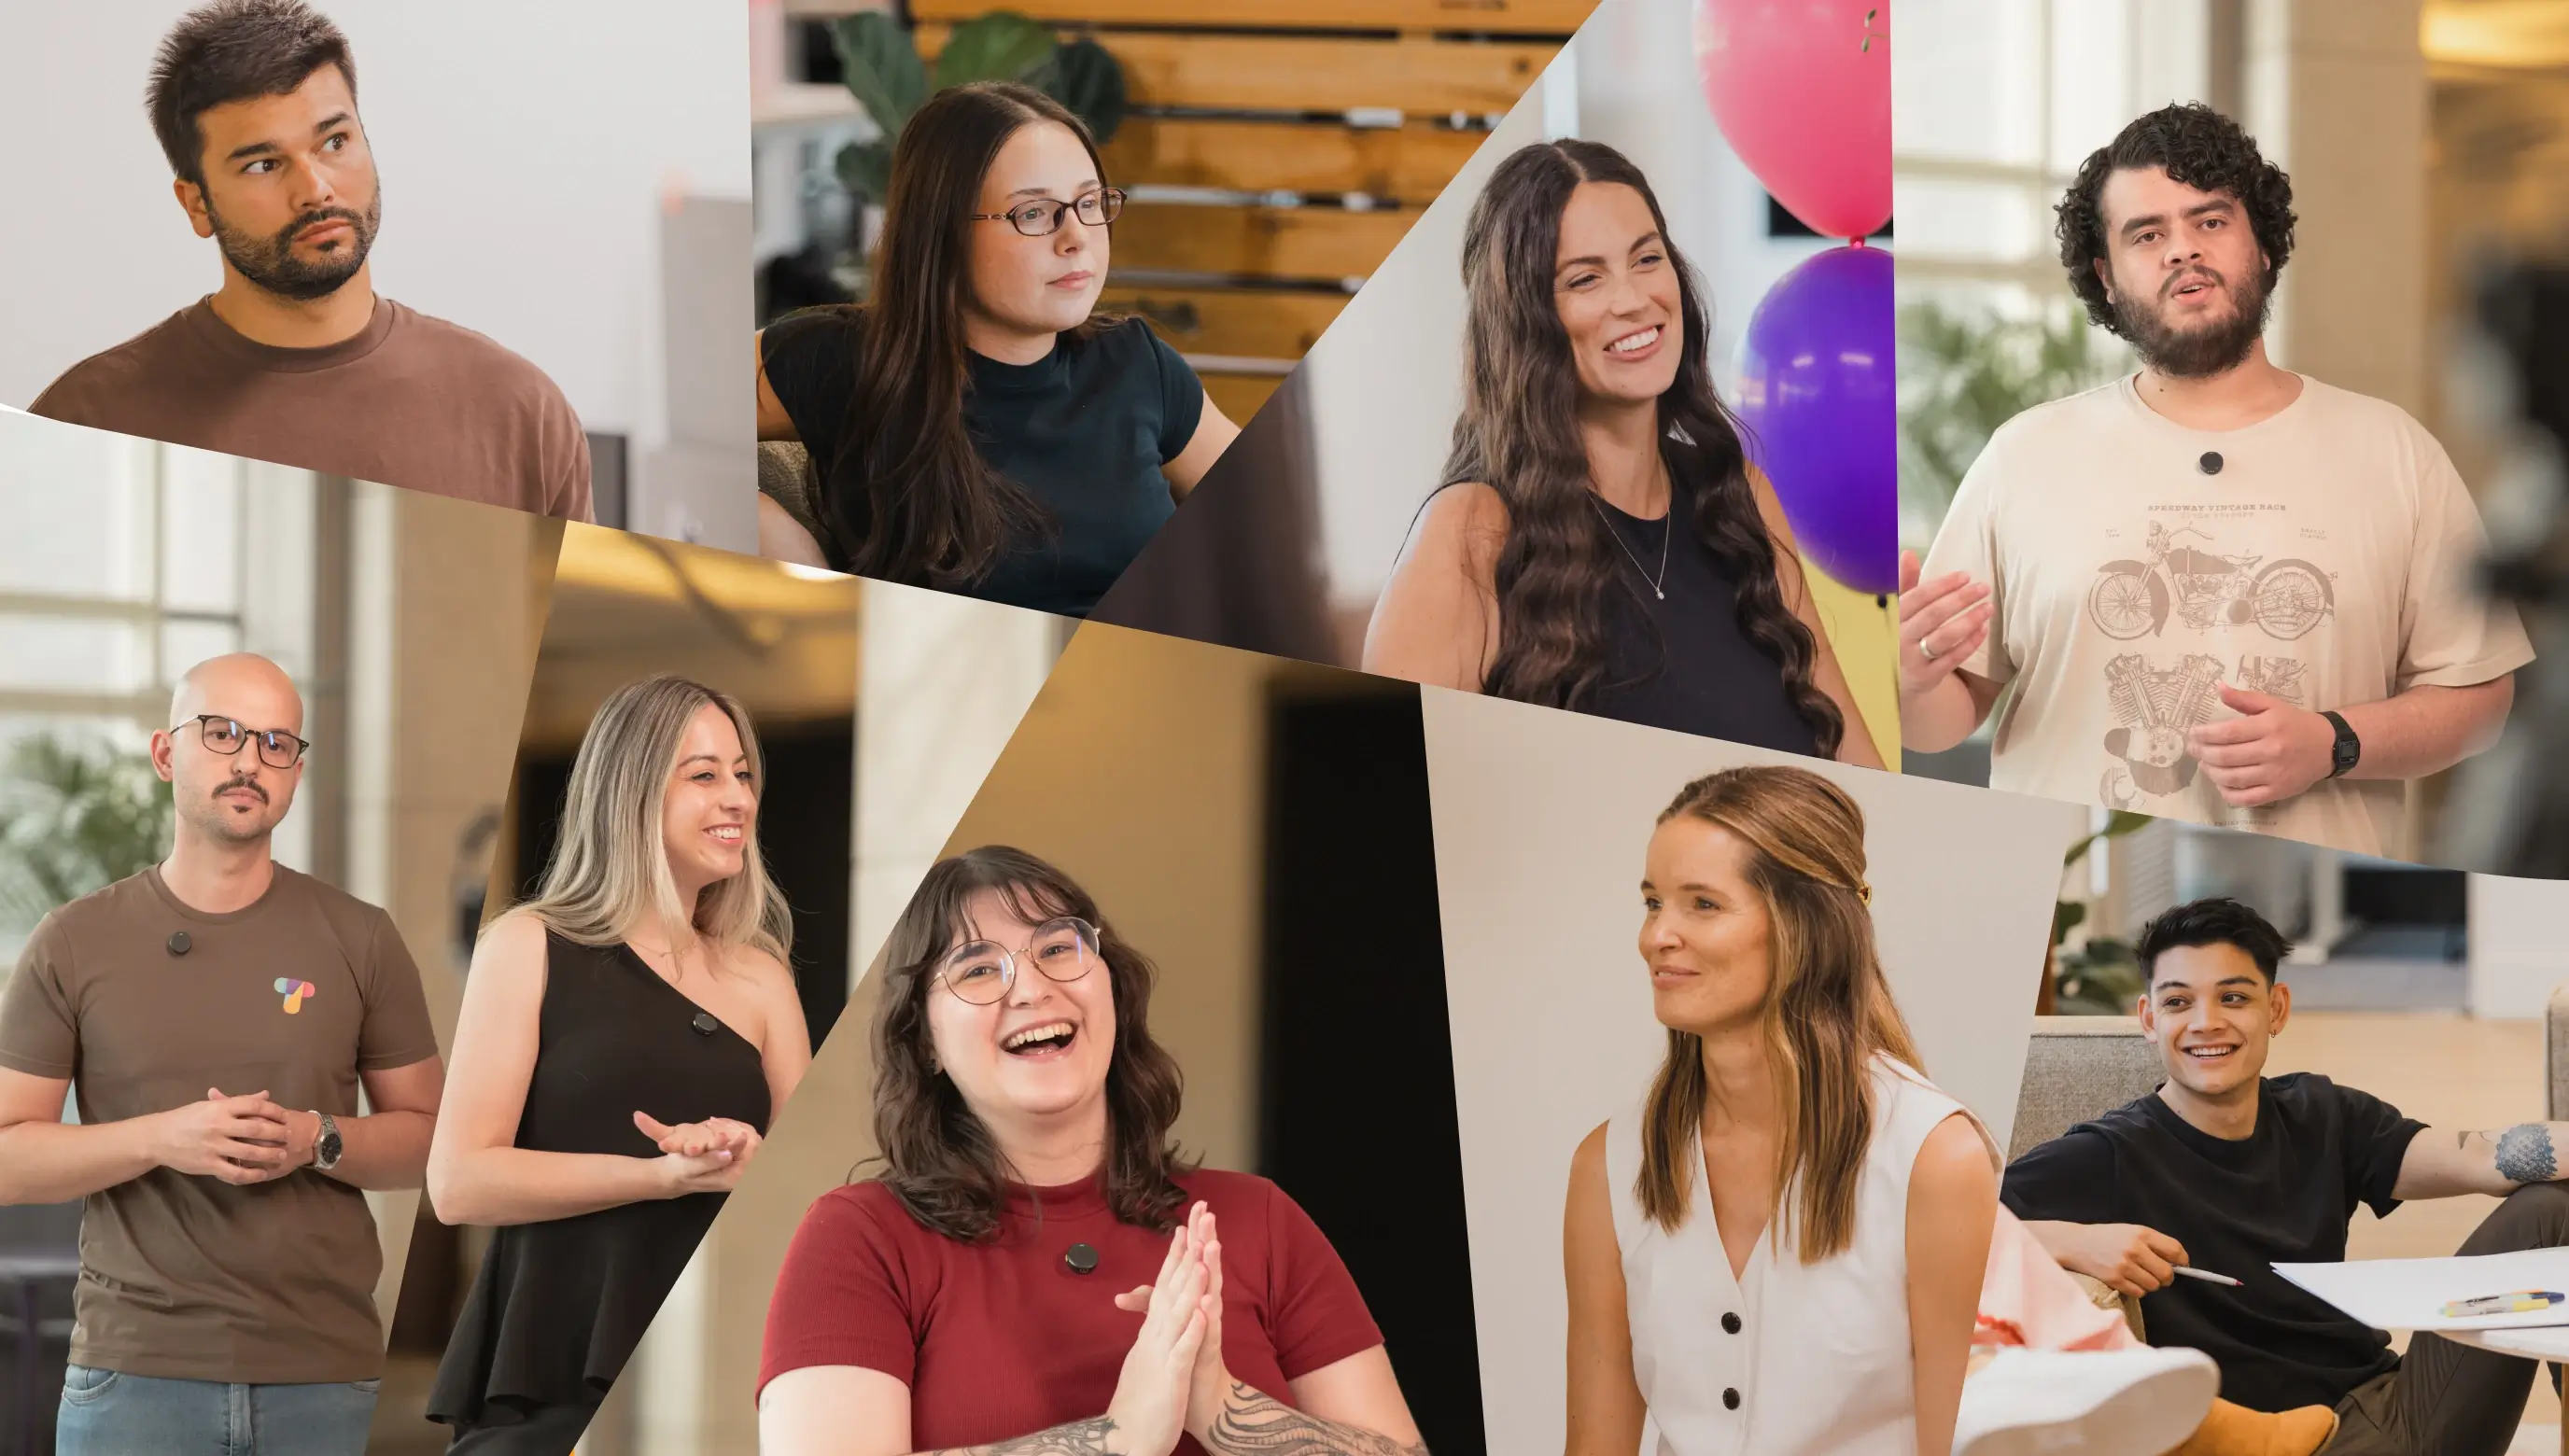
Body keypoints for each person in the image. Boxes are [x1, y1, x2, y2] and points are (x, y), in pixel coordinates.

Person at [1902, 102, 2530, 857]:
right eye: (2147, 234)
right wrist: (1911, 680)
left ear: (2261, 245)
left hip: (2304, 899)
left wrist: (2333, 741)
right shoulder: (2023, 456)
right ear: (2106, 274)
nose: (2181, 251)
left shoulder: (2395, 450)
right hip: (2070, 913)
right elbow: (1944, 721)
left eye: (2209, 222)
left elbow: (2482, 695)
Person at [756, 846, 1427, 1456]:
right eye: (979, 969)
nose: (1031, 987)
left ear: (1110, 985)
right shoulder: (862, 1238)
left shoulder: (1258, 1219)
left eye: (1057, 948)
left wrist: (1222, 1405)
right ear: (925, 1039)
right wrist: (1122, 1436)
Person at [0, 652, 445, 1455]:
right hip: (132, 1376)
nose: (250, 760)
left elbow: (432, 1136)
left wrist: (319, 1139)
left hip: (325, 1378)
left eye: (278, 743)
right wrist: (160, 1139)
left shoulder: (360, 936)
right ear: (167, 754)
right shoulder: (74, 940)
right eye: (223, 733)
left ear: (296, 772)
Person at [1362, 140, 1881, 765]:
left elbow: (1854, 763)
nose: (1634, 299)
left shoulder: (1738, 497)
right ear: (1524, 319)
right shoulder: (1470, 533)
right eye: (1585, 279)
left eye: (1647, 259)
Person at [2003, 896, 2569, 1455]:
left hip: (2393, 1401)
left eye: (2233, 997)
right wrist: (2075, 1240)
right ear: (2150, 1020)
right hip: (2272, 1441)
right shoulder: (2109, 1154)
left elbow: (2479, 1157)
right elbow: (1933, 1221)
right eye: (2179, 1002)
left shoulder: (2321, 1112)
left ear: (2276, 1009)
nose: (2206, 1023)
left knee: (2550, 1207)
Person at [425, 676, 811, 1453]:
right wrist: (661, 1175)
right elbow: (457, 1184)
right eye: (703, 775)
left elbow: (810, 1197)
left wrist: (752, 1163)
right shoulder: (528, 945)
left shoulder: (763, 975)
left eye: (742, 773)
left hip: (728, 1371)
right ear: (630, 793)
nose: (737, 797)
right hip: (553, 1374)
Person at [1561, 765, 1988, 1456]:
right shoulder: (1607, 1166)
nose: (1656, 937)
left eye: (1701, 904)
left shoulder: (1935, 1159)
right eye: (1651, 903)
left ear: (1804, 925)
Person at [28, 0, 593, 522]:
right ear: (197, 204)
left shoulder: (521, 415)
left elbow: (590, 636)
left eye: (335, 142)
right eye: (263, 165)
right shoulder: (86, 424)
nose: (316, 188)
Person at [754, 82, 1242, 618]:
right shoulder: (842, 360)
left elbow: (1271, 516)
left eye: (1087, 202)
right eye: (1033, 214)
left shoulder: (1136, 364)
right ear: (941, 233)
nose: (1076, 236)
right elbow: (662, 408)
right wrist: (775, 539)